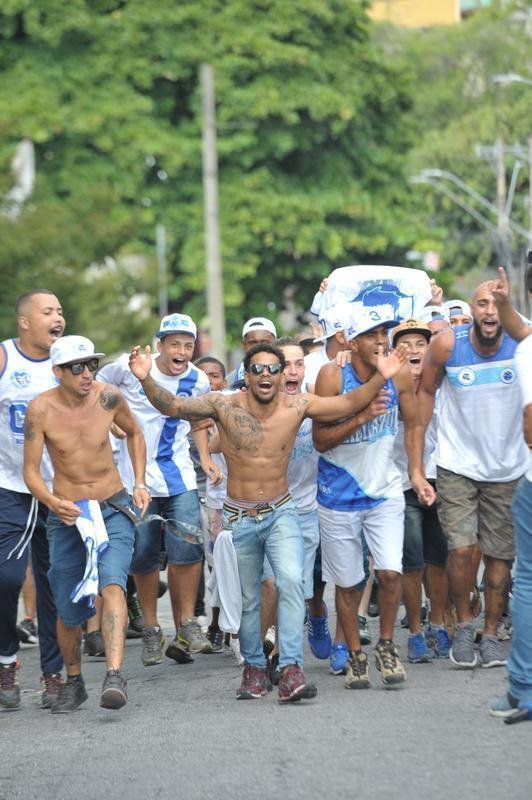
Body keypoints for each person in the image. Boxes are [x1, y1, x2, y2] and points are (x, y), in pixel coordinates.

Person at [129, 339, 411, 702]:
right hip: (239, 515)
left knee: (291, 581)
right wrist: (145, 379)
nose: (265, 375)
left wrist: (381, 377)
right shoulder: (224, 404)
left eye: (272, 369)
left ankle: (292, 668)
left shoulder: (298, 405)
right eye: (257, 369)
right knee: (250, 599)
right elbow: (174, 405)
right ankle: (254, 668)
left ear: (281, 377)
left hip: (282, 511)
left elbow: (347, 402)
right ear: (245, 377)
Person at [23, 335, 150, 712]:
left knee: (112, 583)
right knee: (69, 609)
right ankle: (74, 680)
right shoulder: (40, 410)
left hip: (112, 505)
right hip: (68, 515)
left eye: (91, 364)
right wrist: (51, 502)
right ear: (58, 372)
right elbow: (30, 471)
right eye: (77, 367)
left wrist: (139, 481)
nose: (86, 374)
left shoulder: (108, 397)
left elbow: (135, 432)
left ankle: (114, 675)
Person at [313, 307, 434, 690]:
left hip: (384, 491)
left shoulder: (398, 373)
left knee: (389, 572)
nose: (382, 341)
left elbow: (414, 422)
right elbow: (320, 440)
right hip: (338, 496)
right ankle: (354, 654)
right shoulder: (333, 374)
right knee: (348, 585)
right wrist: (362, 417)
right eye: (372, 334)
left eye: (384, 333)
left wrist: (415, 473)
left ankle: (385, 645)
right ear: (351, 341)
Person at [417, 279, 529, 670]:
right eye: (482, 303)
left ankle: (492, 632)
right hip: (458, 465)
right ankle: (464, 624)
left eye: (498, 304)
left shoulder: (523, 344)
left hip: (509, 468)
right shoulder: (448, 345)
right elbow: (424, 397)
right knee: (461, 549)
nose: (489, 311)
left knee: (500, 558)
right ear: (473, 308)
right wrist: (418, 465)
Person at [98, 314, 220, 668]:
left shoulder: (197, 379)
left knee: (188, 549)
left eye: (188, 345)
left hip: (179, 476)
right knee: (144, 556)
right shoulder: (129, 366)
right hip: (134, 479)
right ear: (161, 345)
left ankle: (186, 624)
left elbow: (198, 420)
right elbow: (96, 392)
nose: (181, 351)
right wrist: (112, 426)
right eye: (174, 344)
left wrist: (206, 457)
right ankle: (152, 628)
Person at [0, 290, 65, 712]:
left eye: (60, 311)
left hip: (61, 491)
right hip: (10, 486)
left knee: (55, 585)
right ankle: (6, 660)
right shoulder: (5, 358)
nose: (58, 318)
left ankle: (54, 675)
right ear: (25, 321)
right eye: (48, 312)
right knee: (6, 577)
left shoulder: (70, 363)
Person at [391, 319, 451, 662]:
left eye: (420, 343)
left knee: (439, 560)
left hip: (440, 480)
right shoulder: (386, 388)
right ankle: (414, 631)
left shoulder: (442, 388)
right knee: (411, 564)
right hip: (400, 485)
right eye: (406, 343)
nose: (414, 350)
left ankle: (438, 624)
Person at [226, 317, 277, 390]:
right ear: (243, 345)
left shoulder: (287, 377)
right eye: (253, 343)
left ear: (275, 344)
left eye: (265, 342)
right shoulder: (229, 382)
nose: (259, 347)